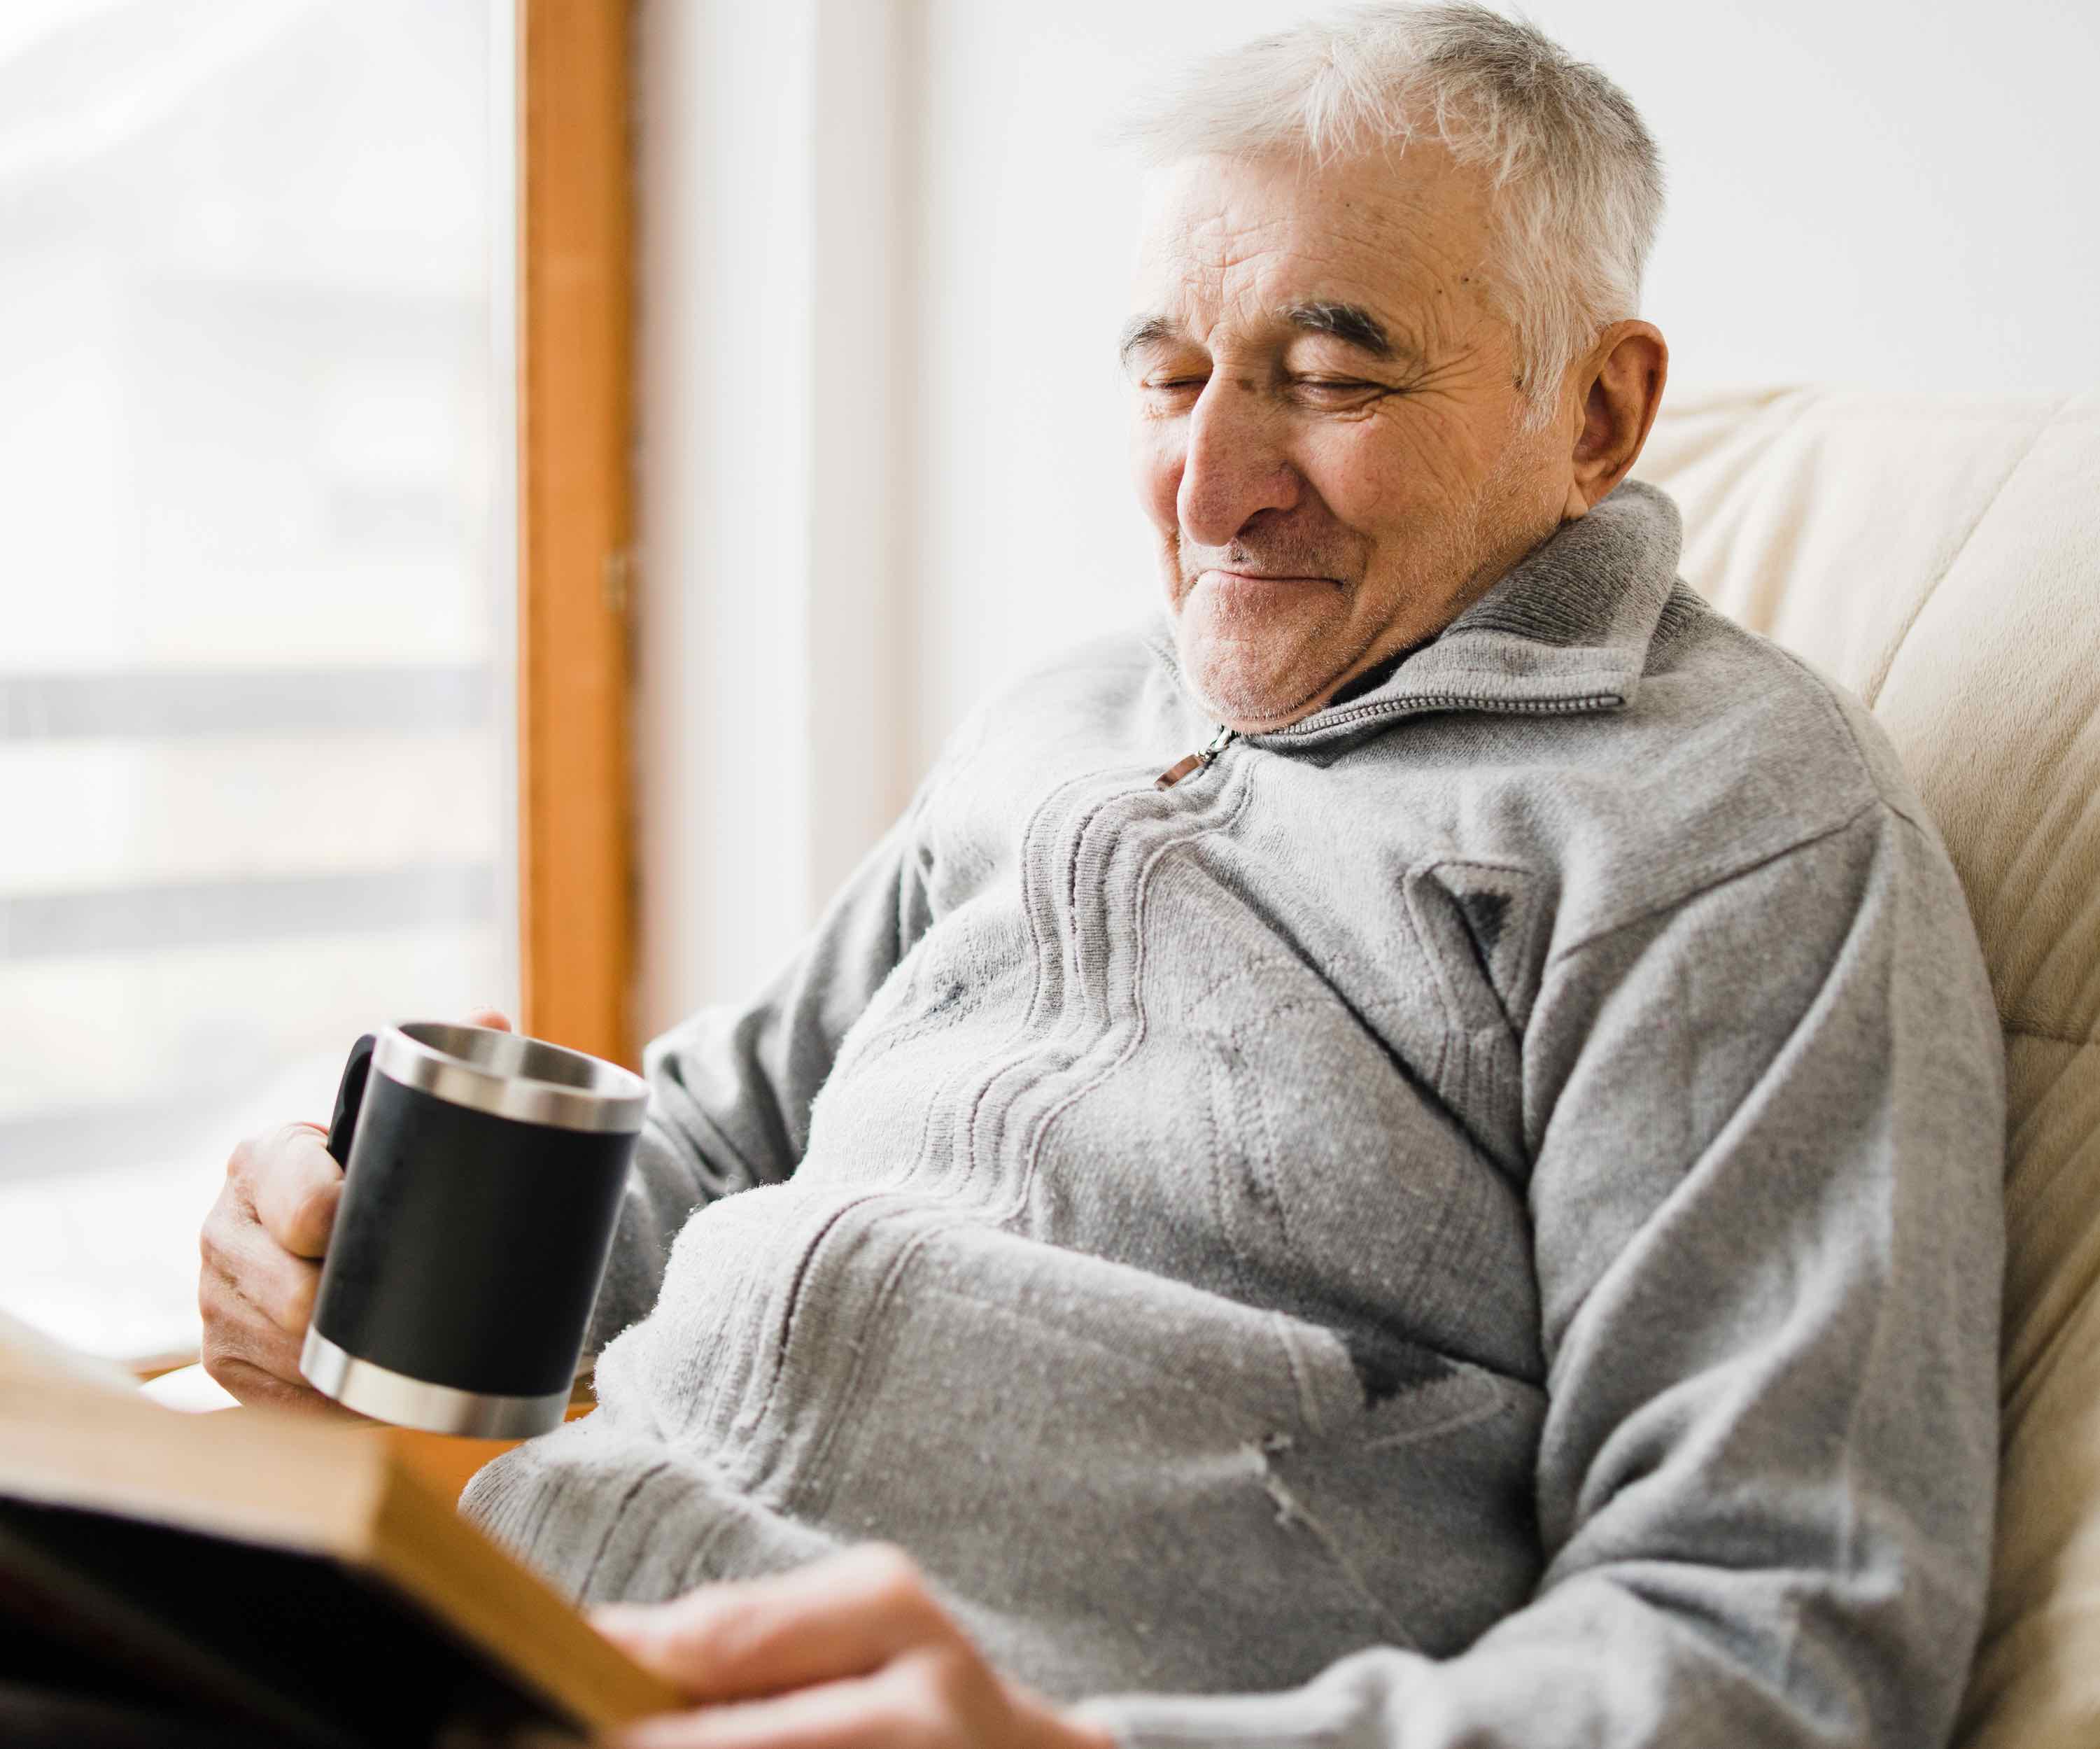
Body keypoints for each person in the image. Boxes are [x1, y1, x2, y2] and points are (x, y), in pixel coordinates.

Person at [199, 7, 2006, 1746]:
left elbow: (1772, 1636)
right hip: (490, 1621)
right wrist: (340, 1257)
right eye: (1168, 375)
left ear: (1598, 411)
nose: (1210, 489)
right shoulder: (1060, 712)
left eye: (1329, 374)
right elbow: (718, 1139)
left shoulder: (1728, 823)